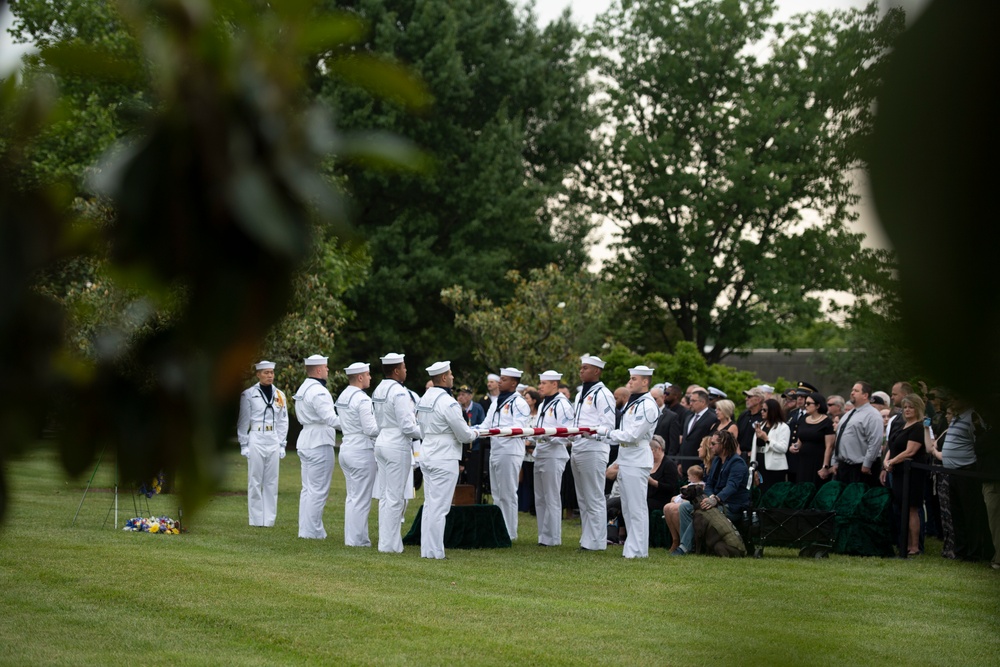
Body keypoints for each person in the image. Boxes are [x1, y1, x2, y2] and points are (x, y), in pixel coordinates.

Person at [414, 361, 478, 559]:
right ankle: (435, 551)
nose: (452, 377)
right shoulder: (448, 402)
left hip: (428, 453)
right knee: (440, 507)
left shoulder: (424, 399)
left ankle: (428, 549)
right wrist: (476, 433)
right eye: (450, 374)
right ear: (443, 378)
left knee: (431, 504)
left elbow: (421, 428)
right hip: (444, 456)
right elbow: (464, 435)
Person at [596, 364, 659, 558]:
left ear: (645, 381)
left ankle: (637, 550)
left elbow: (632, 435)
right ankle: (634, 548)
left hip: (637, 458)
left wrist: (608, 433)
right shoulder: (634, 402)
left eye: (634, 379)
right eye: (630, 378)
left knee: (636, 507)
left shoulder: (647, 405)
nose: (629, 382)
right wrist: (604, 436)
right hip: (627, 457)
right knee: (629, 507)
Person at [668, 430, 750, 556]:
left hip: (733, 506)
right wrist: (711, 496)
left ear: (723, 444)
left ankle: (684, 548)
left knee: (702, 512)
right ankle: (690, 545)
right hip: (716, 501)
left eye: (713, 443)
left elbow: (732, 487)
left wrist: (716, 499)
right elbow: (709, 484)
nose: (710, 446)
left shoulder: (737, 463)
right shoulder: (717, 461)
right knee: (684, 507)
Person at [372, 352, 423, 553]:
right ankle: (390, 545)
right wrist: (428, 432)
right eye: (403, 367)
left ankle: (386, 542)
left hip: (383, 441)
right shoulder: (399, 392)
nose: (405, 370)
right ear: (396, 370)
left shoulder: (378, 389)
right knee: (395, 497)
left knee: (386, 496)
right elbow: (408, 427)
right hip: (396, 444)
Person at [477, 367, 531, 541]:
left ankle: (509, 532)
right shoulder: (496, 401)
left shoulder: (519, 403)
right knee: (497, 493)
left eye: (504, 379)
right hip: (496, 449)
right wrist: (471, 431)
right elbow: (486, 424)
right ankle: (498, 529)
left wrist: (494, 430)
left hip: (510, 451)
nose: (500, 382)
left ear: (514, 383)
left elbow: (519, 427)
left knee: (508, 493)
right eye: (500, 378)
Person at [571, 354, 616, 551]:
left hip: (594, 448)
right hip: (578, 445)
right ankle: (587, 538)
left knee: (594, 495)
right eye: (581, 368)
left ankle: (597, 541)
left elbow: (607, 425)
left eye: (586, 368)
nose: (581, 371)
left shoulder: (603, 394)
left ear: (597, 371)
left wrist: (589, 433)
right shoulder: (581, 393)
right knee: (582, 496)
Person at [236, 360, 288, 527]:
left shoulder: (280, 395)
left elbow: (282, 421)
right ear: (258, 374)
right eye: (266, 372)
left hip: (272, 437)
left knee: (272, 481)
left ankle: (269, 520)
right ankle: (256, 520)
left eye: (271, 372)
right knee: (255, 480)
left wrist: (282, 443)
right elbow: (243, 421)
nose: (269, 375)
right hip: (256, 437)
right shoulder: (249, 394)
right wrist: (243, 443)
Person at [292, 354, 339, 539]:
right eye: (326, 367)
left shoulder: (304, 388)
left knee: (308, 489)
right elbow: (331, 418)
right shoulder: (319, 391)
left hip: (306, 439)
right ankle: (313, 531)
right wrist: (355, 424)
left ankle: (306, 529)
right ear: (318, 370)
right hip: (319, 440)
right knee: (318, 490)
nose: (328, 370)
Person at [335, 361, 380, 547]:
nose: (370, 377)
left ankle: (353, 538)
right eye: (368, 374)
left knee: (353, 497)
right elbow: (370, 429)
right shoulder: (362, 399)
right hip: (361, 450)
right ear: (360, 377)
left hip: (346, 447)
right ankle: (358, 540)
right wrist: (388, 428)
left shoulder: (343, 395)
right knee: (361, 498)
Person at [881, 394, 929, 557]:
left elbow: (910, 451)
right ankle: (904, 543)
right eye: (905, 407)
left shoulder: (918, 427)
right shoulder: (902, 425)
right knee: (901, 508)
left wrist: (892, 461)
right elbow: (892, 446)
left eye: (911, 407)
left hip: (912, 474)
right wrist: (887, 461)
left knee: (912, 508)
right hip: (898, 472)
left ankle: (914, 546)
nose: (907, 410)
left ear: (918, 409)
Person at [532, 370, 573, 546]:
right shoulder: (543, 404)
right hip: (540, 451)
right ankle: (543, 535)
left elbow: (569, 433)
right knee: (540, 497)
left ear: (554, 384)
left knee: (552, 496)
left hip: (554, 453)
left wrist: (548, 436)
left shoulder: (563, 404)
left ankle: (553, 537)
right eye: (540, 383)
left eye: (544, 383)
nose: (540, 386)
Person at [822, 381, 884, 487]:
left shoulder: (873, 415)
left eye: (856, 391)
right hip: (844, 466)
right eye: (852, 390)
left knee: (857, 498)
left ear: (865, 395)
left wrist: (867, 464)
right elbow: (840, 438)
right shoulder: (849, 414)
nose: (852, 393)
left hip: (860, 467)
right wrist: (835, 461)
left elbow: (875, 441)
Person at [790, 391, 835, 487]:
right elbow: (800, 441)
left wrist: (825, 466)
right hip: (803, 462)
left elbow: (829, 447)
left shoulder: (827, 422)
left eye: (809, 403)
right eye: (806, 403)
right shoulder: (803, 420)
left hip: (817, 462)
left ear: (818, 405)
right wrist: (794, 447)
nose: (805, 405)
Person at [752, 398, 790, 491]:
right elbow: (754, 447)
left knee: (772, 493)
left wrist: (766, 439)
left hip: (775, 467)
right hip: (760, 463)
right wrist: (753, 467)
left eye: (765, 410)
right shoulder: (760, 425)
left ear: (772, 411)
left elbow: (783, 448)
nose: (762, 412)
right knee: (760, 489)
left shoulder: (783, 427)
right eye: (761, 409)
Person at [678, 389, 718, 473]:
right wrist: (680, 462)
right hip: (685, 464)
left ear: (703, 402)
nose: (690, 403)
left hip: (699, 464)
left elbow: (709, 441)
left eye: (693, 401)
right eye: (690, 400)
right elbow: (685, 440)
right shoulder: (689, 417)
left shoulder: (712, 418)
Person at [737, 386, 766, 459]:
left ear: (758, 400)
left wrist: (752, 453)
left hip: (756, 457)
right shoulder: (744, 415)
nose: (746, 399)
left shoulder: (763, 416)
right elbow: (736, 434)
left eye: (749, 397)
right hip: (739, 455)